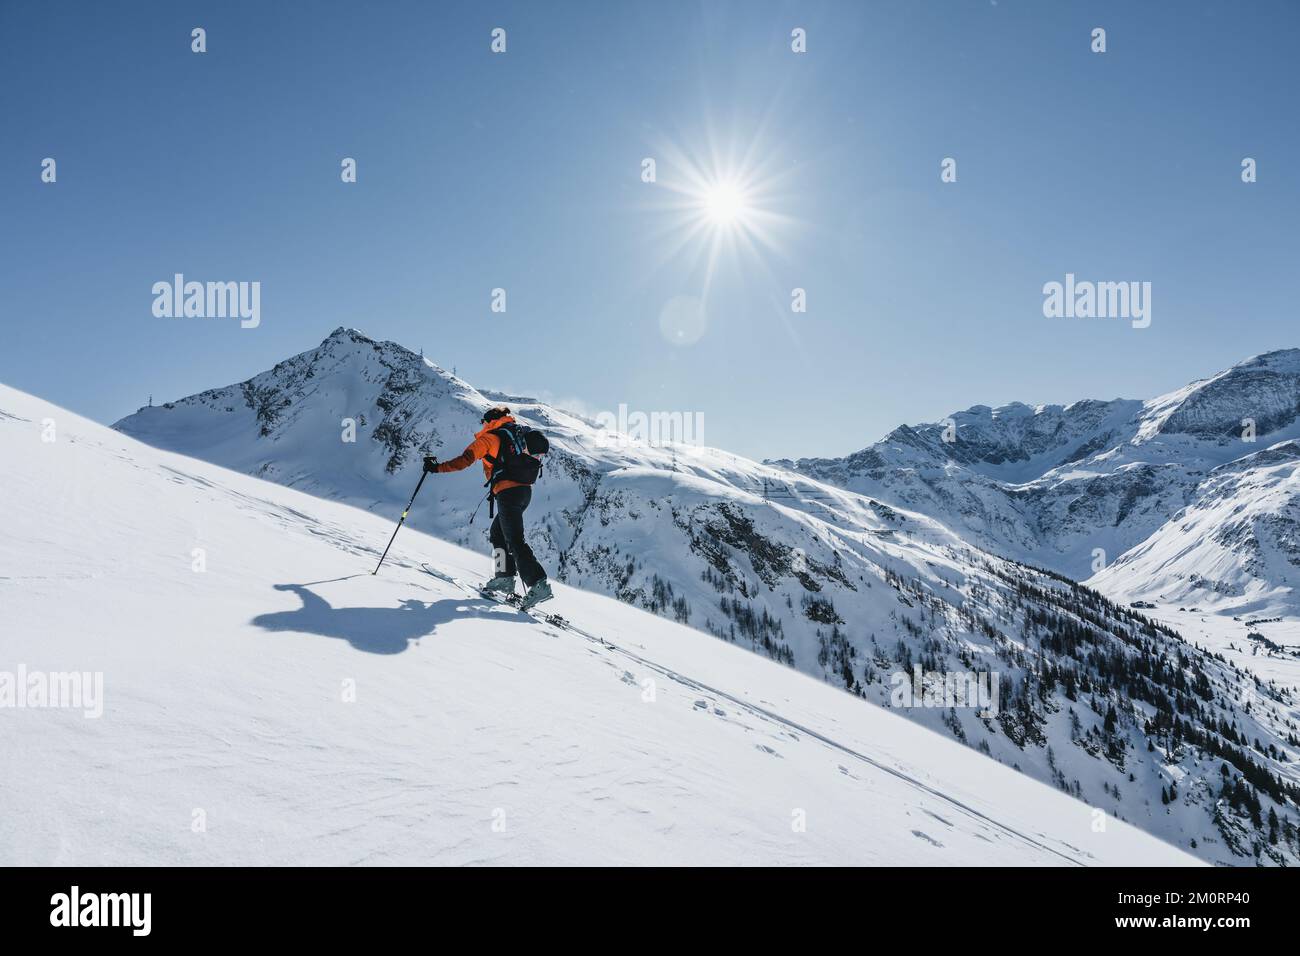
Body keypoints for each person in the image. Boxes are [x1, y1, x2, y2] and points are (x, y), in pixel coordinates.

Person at [423, 407, 552, 609]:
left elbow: (464, 460)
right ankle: (505, 577)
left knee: (515, 539)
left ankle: (538, 584)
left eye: (484, 421)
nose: (482, 424)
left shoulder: (491, 438)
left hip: (508, 493)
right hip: (524, 492)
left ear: (490, 421)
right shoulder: (518, 433)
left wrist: (436, 467)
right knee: (498, 534)